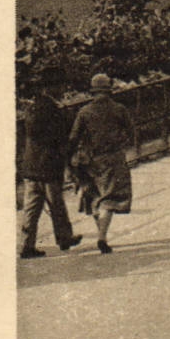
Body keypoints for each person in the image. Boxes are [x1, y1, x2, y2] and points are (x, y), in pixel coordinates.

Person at [68, 73, 134, 254]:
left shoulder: (84, 111)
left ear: (93, 92)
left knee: (94, 197)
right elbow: (131, 132)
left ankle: (101, 234)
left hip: (90, 160)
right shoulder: (119, 109)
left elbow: (73, 137)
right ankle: (102, 237)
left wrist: (71, 158)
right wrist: (122, 144)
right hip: (113, 158)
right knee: (110, 198)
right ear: (109, 90)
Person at [19, 72, 83, 257]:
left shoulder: (32, 109)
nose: (63, 90)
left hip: (31, 167)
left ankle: (26, 245)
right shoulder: (52, 110)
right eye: (60, 86)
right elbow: (62, 136)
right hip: (48, 166)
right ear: (51, 88)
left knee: (31, 208)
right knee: (56, 204)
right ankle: (64, 238)